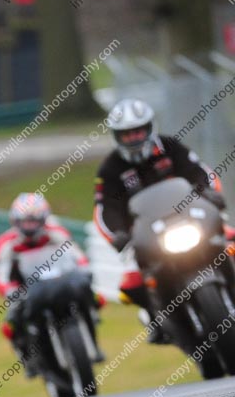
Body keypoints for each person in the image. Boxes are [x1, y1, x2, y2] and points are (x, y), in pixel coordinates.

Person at [94, 98, 230, 343]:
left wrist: (209, 193)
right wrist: (118, 234)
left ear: (149, 128)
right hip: (148, 236)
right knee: (133, 285)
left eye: (138, 131)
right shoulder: (111, 168)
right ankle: (157, 319)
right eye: (126, 134)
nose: (133, 138)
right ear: (116, 136)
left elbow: (199, 172)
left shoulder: (170, 147)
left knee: (228, 241)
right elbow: (106, 209)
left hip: (190, 220)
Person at [0, 193, 98, 375]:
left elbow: (76, 255)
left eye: (34, 221)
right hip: (26, 291)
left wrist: (84, 269)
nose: (30, 226)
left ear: (43, 219)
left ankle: (92, 331)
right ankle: (27, 357)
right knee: (11, 324)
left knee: (93, 295)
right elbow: (1, 274)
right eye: (25, 221)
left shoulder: (56, 233)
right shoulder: (7, 243)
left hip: (58, 282)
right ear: (15, 221)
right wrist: (10, 291)